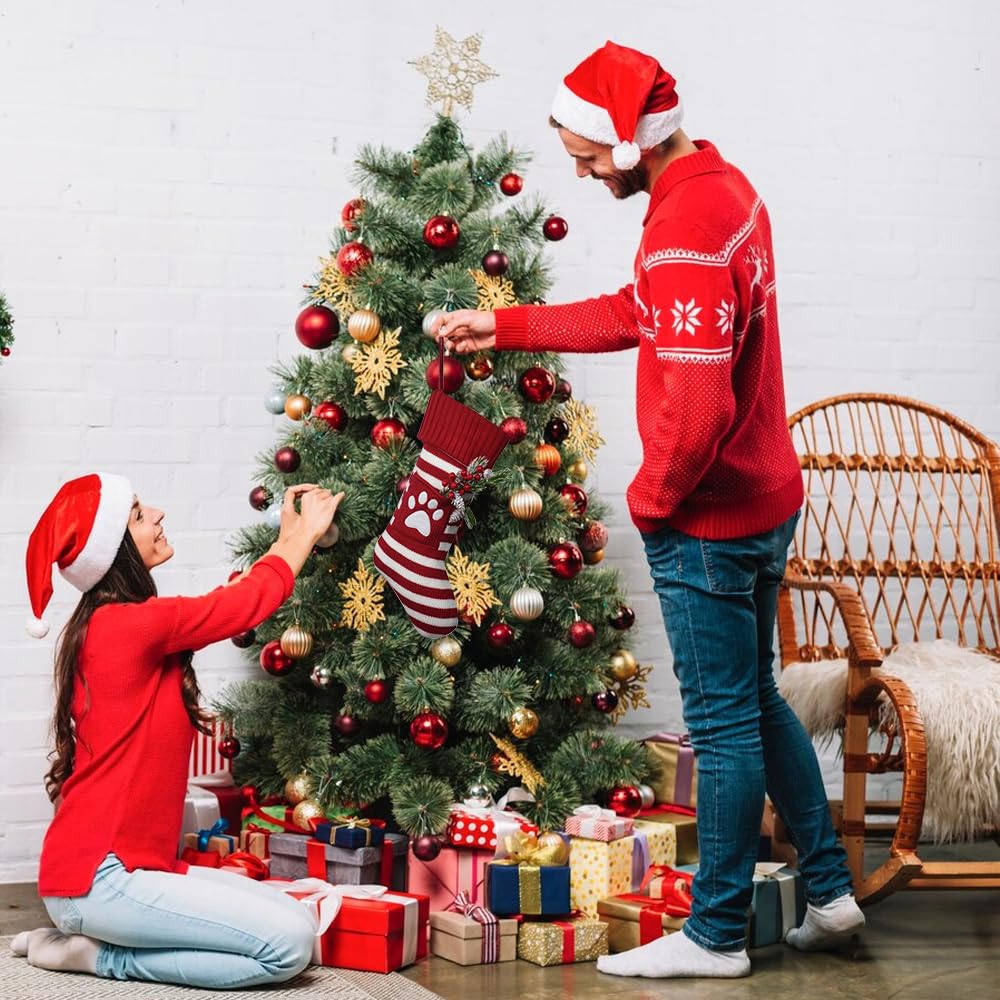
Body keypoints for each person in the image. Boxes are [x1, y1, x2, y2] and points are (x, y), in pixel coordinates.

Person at [438, 40, 864, 979]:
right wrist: (502, 325)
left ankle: (714, 936)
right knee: (754, 697)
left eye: (587, 157)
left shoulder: (680, 230)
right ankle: (829, 893)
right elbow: (637, 313)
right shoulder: (722, 190)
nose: (583, 174)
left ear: (628, 143)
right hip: (766, 497)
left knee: (719, 728)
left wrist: (653, 501)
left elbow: (702, 405)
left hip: (710, 521)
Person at [12, 472, 343, 989]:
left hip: (128, 873)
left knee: (301, 920)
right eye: (140, 515)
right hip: (100, 882)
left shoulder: (119, 623)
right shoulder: (126, 624)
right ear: (115, 550)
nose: (158, 514)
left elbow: (221, 603)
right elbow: (238, 606)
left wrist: (283, 542)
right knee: (287, 947)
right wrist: (299, 536)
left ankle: (85, 939)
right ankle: (97, 957)